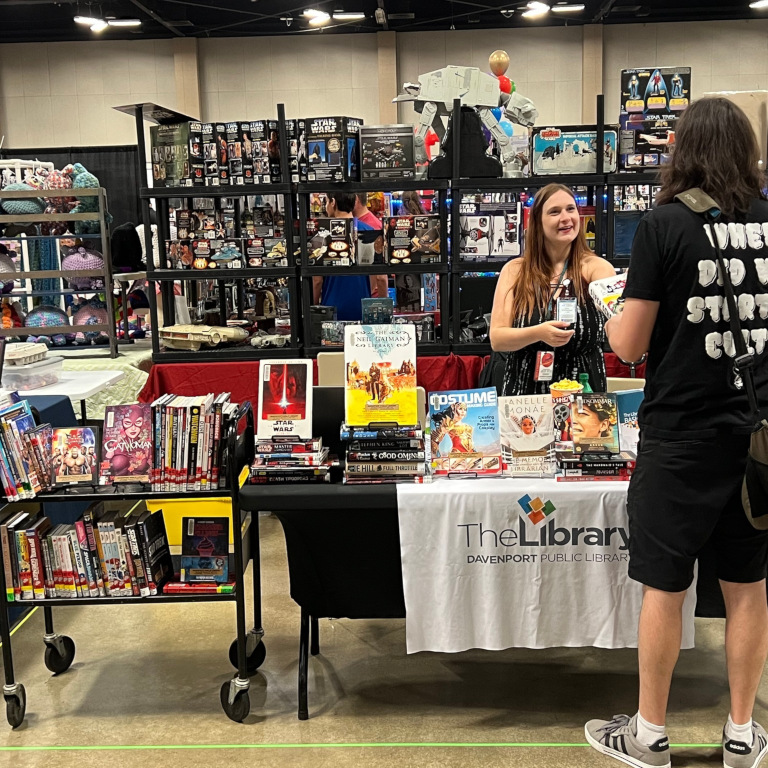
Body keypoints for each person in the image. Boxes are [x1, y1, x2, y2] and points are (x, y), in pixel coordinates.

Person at [585, 97, 768, 768]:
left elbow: (630, 346)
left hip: (681, 435)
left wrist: (609, 301)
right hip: (755, 437)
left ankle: (651, 734)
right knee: (748, 588)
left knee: (666, 585)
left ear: (682, 149)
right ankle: (744, 734)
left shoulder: (663, 225)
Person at [489, 183, 615, 395]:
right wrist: (539, 333)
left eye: (570, 209)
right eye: (555, 212)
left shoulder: (597, 269)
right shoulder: (515, 271)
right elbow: (497, 339)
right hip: (526, 395)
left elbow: (619, 324)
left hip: (583, 391)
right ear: (538, 222)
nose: (566, 218)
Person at [312, 192, 378, 321]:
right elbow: (375, 275)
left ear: (333, 202)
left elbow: (317, 281)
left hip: (331, 307)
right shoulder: (369, 231)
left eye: (326, 201)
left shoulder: (321, 235)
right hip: (361, 306)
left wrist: (313, 307)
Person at [353, 194, 388, 297]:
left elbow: (380, 275)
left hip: (370, 296)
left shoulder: (373, 226)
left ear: (356, 200)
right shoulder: (359, 223)